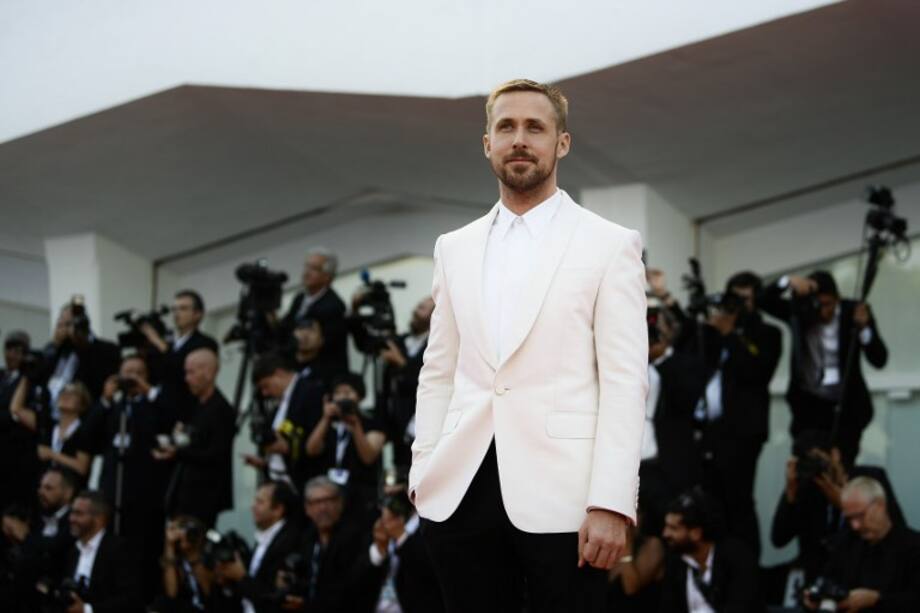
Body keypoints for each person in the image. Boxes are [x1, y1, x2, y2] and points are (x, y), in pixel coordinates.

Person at [409, 78, 648, 613]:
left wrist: (611, 502)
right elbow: (439, 370)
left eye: (535, 127)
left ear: (562, 143)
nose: (519, 139)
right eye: (506, 127)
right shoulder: (453, 248)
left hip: (567, 501)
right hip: (458, 495)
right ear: (487, 143)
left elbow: (625, 383)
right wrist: (423, 469)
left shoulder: (610, 245)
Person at [679, 271, 782, 559]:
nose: (740, 306)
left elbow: (757, 371)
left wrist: (730, 333)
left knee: (739, 502)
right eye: (734, 300)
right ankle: (717, 567)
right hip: (709, 431)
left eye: (745, 300)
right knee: (711, 503)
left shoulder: (768, 333)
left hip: (743, 433)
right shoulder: (714, 330)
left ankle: (747, 568)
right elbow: (687, 353)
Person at [758, 271, 887, 465]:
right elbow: (762, 301)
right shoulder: (800, 312)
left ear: (837, 299)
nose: (823, 311)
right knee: (808, 465)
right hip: (809, 407)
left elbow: (879, 359)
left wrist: (864, 329)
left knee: (841, 465)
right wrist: (786, 281)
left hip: (846, 407)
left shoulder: (853, 311)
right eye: (818, 305)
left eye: (828, 304)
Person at [91, 355, 177, 599]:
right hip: (113, 490)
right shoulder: (114, 407)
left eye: (138, 372)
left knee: (141, 549)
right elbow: (89, 435)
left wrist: (147, 391)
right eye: (127, 372)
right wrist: (105, 399)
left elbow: (170, 420)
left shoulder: (154, 403)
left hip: (144, 493)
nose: (132, 377)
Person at [771, 430, 905, 583]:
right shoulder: (805, 488)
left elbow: (896, 535)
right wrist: (790, 492)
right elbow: (779, 539)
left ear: (835, 454)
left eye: (817, 460)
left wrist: (846, 504)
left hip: (864, 580)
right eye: (807, 461)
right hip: (819, 582)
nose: (814, 466)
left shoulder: (871, 478)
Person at [803, 477, 920, 612]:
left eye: (860, 516)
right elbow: (826, 580)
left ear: (880, 506)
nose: (855, 526)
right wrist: (814, 598)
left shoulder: (914, 547)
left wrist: (877, 599)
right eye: (849, 518)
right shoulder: (845, 544)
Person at [351, 296, 434, 475]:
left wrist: (400, 363)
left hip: (419, 423)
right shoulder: (399, 341)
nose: (415, 311)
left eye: (422, 308)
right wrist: (355, 309)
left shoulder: (436, 347)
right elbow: (364, 343)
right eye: (417, 306)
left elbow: (429, 384)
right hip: (392, 419)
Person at [157, 348, 236, 527]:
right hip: (183, 490)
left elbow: (216, 454)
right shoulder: (195, 405)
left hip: (204, 495)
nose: (187, 379)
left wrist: (178, 453)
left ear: (208, 373)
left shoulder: (221, 410)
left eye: (191, 372)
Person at [659, 489, 763, 613]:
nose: (665, 534)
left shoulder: (736, 558)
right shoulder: (676, 563)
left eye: (673, 528)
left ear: (696, 533)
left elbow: (741, 605)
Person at [306, 372, 386, 528]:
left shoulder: (372, 422)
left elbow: (368, 457)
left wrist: (355, 426)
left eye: (348, 392)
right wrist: (325, 419)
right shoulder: (328, 424)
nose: (342, 398)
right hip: (331, 496)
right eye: (338, 393)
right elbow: (311, 450)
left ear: (360, 396)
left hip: (361, 496)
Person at [214, 481, 302, 613]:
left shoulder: (289, 542)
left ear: (278, 509)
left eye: (260, 502)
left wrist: (241, 577)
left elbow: (274, 596)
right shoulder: (264, 537)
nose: (253, 507)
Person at [246, 353, 325, 493]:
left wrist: (288, 448)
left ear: (279, 373)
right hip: (278, 479)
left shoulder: (310, 392)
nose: (265, 393)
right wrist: (266, 462)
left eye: (266, 386)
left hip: (303, 480)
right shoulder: (281, 401)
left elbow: (317, 441)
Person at [140, 290, 219, 421]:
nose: (176, 314)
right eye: (174, 309)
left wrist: (157, 341)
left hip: (187, 412)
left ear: (198, 314)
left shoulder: (205, 343)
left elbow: (181, 368)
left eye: (183, 308)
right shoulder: (169, 344)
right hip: (159, 411)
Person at [59, 490, 142, 613]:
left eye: (79, 514)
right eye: (72, 513)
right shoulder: (70, 550)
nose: (71, 519)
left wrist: (87, 610)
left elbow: (130, 599)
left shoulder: (120, 550)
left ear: (99, 518)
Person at [359, 493, 443, 613]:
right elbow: (360, 579)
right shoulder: (377, 528)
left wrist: (401, 537)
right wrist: (380, 548)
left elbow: (429, 575)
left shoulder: (426, 529)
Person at [282, 248, 349, 379]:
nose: (307, 273)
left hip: (322, 375)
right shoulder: (300, 298)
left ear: (327, 276)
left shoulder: (333, 305)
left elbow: (324, 346)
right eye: (306, 267)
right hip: (297, 369)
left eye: (314, 269)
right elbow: (286, 328)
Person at [41, 300, 120, 408]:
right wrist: (56, 347)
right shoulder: (55, 350)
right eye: (61, 324)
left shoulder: (106, 349)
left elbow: (97, 384)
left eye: (69, 324)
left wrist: (80, 343)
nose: (67, 330)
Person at [0, 330, 43, 510]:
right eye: (9, 349)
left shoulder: (31, 380)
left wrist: (11, 416)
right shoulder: (2, 376)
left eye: (18, 351)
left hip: (18, 454)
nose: (12, 355)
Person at [153, 515, 213, 613]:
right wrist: (169, 545)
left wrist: (194, 550)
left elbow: (208, 591)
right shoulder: (171, 559)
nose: (186, 533)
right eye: (179, 528)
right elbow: (172, 593)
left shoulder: (207, 557)